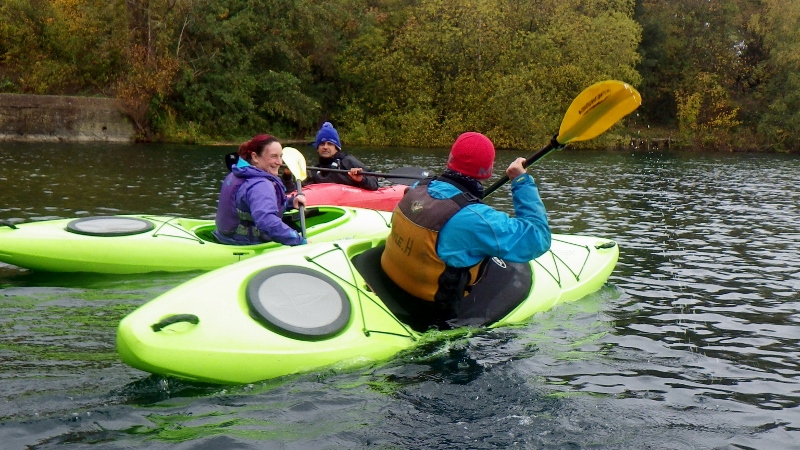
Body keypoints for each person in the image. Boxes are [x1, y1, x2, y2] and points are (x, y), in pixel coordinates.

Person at [380, 131, 551, 328]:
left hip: (392, 284)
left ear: (450, 159)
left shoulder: (418, 188)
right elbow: (538, 237)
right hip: (431, 309)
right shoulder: (477, 219)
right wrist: (521, 181)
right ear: (489, 170)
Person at [214, 134, 307, 246]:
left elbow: (252, 204)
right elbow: (267, 221)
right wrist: (300, 241)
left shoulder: (237, 173)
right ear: (255, 157)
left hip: (223, 237)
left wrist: (290, 202)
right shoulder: (261, 185)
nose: (280, 162)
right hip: (245, 244)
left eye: (280, 156)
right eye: (274, 156)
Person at [307, 122, 379, 191]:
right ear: (317, 149)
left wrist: (361, 179)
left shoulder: (348, 161)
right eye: (322, 144)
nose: (325, 147)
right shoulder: (314, 170)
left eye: (330, 144)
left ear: (336, 148)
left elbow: (374, 181)